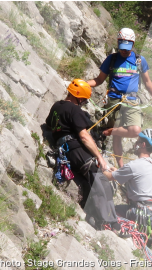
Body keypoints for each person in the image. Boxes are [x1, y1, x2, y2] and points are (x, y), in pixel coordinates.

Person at [45, 79, 121, 232]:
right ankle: (110, 221)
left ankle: (93, 215)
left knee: (88, 182)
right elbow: (84, 137)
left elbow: (49, 124)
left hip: (64, 150)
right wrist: (100, 158)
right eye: (85, 100)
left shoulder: (56, 106)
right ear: (79, 97)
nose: (84, 102)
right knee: (99, 178)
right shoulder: (75, 110)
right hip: (75, 148)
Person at [87, 28, 152, 168]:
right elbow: (99, 80)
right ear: (118, 43)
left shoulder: (139, 60)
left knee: (135, 130)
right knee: (117, 137)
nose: (124, 51)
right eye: (122, 48)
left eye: (127, 48)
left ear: (133, 44)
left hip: (132, 102)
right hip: (114, 101)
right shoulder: (112, 59)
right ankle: (121, 168)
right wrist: (84, 84)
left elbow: (147, 81)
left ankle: (109, 131)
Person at [103, 129, 152, 244]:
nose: (135, 144)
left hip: (140, 213)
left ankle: (133, 226)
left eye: (138, 141)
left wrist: (102, 169)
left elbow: (108, 176)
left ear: (143, 145)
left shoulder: (134, 165)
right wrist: (118, 172)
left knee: (108, 210)